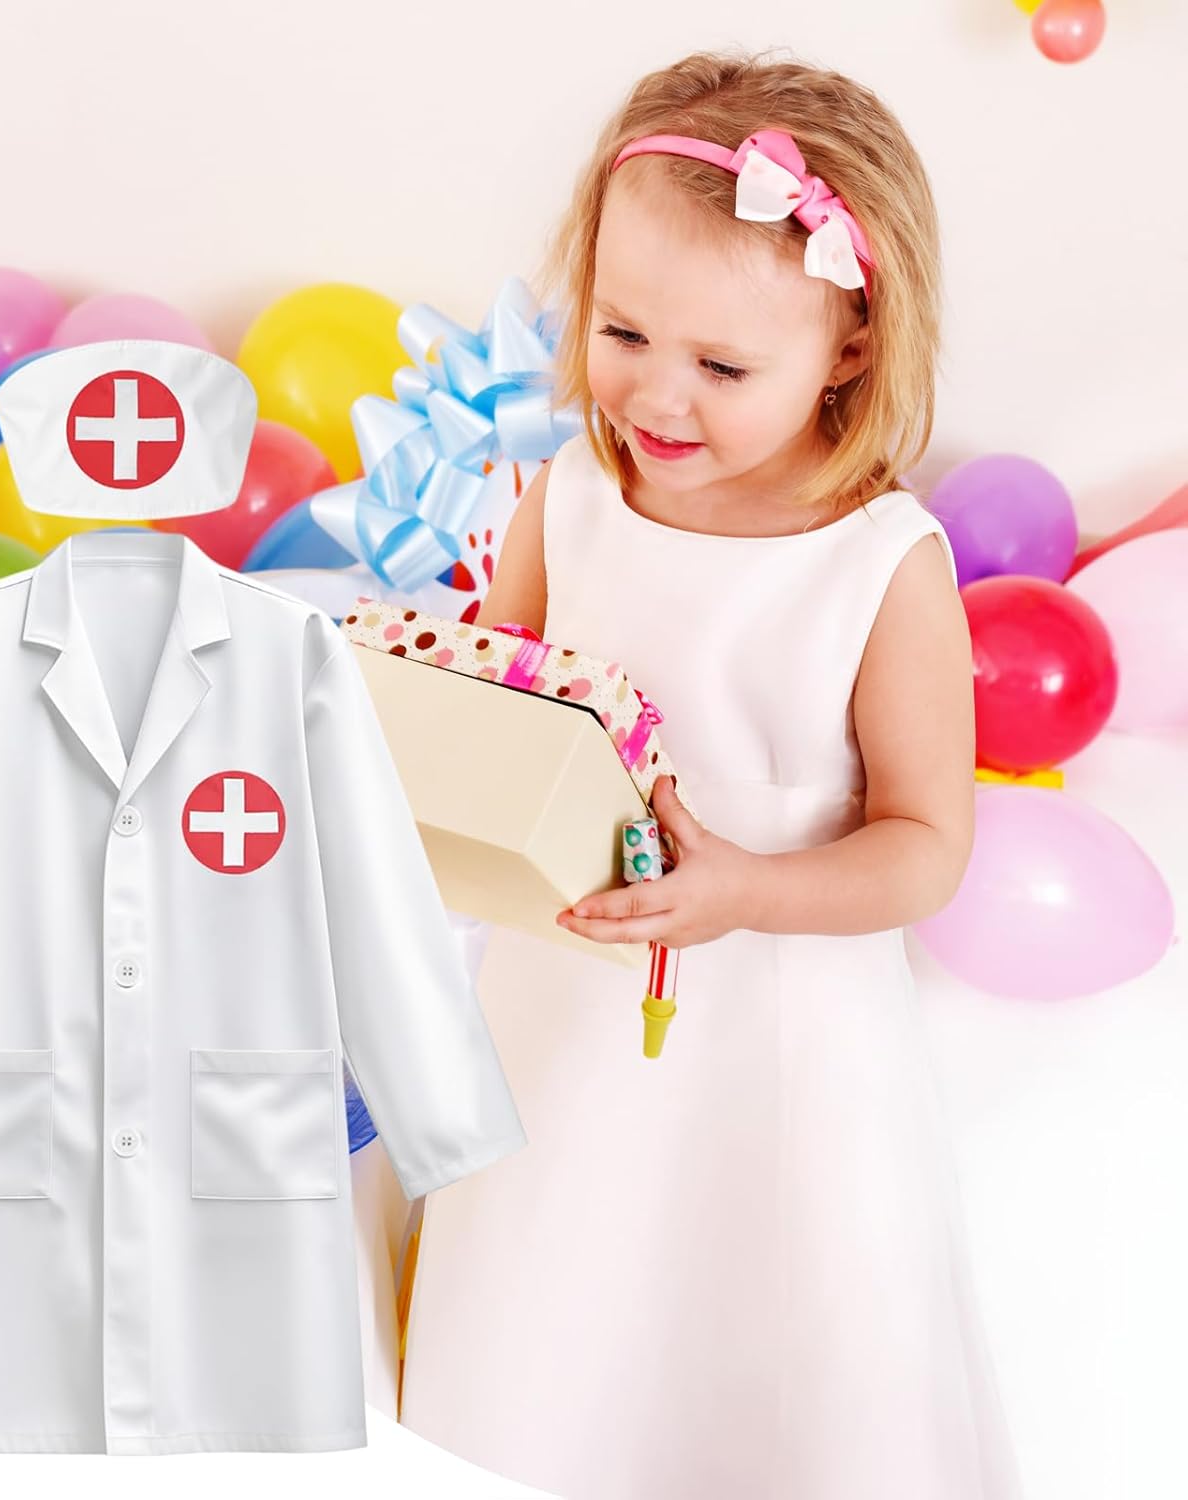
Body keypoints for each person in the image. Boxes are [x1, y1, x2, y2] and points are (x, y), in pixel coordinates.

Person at [394, 48, 1025, 1499]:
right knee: (550, 1303)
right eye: (622, 330)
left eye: (723, 368)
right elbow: (505, 703)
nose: (656, 397)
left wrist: (748, 890)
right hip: (566, 1000)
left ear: (849, 350)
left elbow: (927, 842)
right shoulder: (572, 499)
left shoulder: (880, 563)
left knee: (776, 1336)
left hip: (784, 1036)